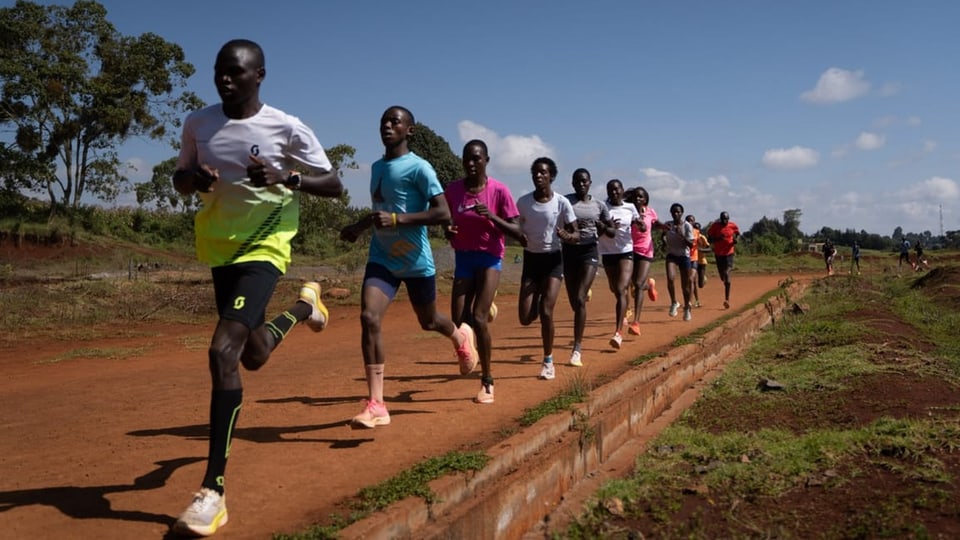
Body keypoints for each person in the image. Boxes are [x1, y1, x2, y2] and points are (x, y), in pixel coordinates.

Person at [169, 39, 344, 537]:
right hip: (220, 246)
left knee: (223, 350)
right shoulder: (197, 123)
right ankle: (304, 308)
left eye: (237, 73)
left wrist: (286, 177)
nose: (226, 80)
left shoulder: (285, 126)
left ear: (260, 75)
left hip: (267, 245)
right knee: (254, 354)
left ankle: (213, 492)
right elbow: (179, 178)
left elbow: (333, 184)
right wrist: (193, 180)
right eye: (220, 72)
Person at [339, 106, 478, 427]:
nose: (387, 126)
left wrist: (399, 220)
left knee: (428, 321)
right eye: (383, 122)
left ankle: (459, 338)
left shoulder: (419, 168)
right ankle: (376, 403)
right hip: (382, 258)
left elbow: (443, 214)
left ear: (409, 130)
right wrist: (358, 227)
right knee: (369, 317)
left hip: (415, 261)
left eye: (394, 122)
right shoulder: (376, 167)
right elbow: (381, 210)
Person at [443, 140, 521, 403]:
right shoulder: (453, 190)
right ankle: (487, 310)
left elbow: (517, 232)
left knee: (477, 318)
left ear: (487, 160)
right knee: (459, 323)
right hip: (464, 258)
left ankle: (487, 381)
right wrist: (448, 229)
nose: (471, 163)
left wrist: (492, 217)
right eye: (467, 159)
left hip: (489, 258)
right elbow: (446, 219)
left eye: (477, 158)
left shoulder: (499, 191)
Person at [516, 157, 578, 380]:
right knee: (525, 317)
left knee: (546, 311)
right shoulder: (523, 202)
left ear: (551, 176)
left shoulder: (561, 203)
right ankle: (538, 299)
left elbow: (576, 232)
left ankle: (548, 361)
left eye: (543, 173)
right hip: (531, 261)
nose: (538, 176)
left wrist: (567, 235)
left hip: (553, 260)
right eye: (535, 173)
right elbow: (518, 227)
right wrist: (519, 236)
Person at [562, 168, 608, 366]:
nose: (581, 184)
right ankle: (583, 292)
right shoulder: (565, 201)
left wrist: (604, 228)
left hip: (589, 251)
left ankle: (577, 349)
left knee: (580, 299)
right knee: (575, 302)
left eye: (584, 181)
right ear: (572, 183)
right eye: (577, 181)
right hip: (569, 252)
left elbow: (611, 230)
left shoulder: (599, 205)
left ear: (590, 182)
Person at [599, 179, 640, 348]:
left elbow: (638, 221)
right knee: (615, 289)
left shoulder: (630, 207)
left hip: (625, 251)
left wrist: (641, 225)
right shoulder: (602, 207)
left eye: (617, 189)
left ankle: (618, 333)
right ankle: (624, 308)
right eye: (611, 190)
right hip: (608, 253)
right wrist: (607, 227)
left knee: (621, 288)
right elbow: (596, 227)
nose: (614, 192)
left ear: (622, 190)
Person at [624, 187, 659, 336]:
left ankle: (636, 323)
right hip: (629, 250)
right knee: (629, 284)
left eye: (641, 197)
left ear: (645, 200)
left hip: (645, 251)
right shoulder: (627, 211)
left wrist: (664, 227)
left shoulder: (650, 212)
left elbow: (656, 224)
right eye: (636, 197)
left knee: (637, 285)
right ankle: (649, 284)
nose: (638, 199)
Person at [662, 203, 695, 321]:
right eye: (674, 212)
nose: (676, 214)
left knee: (685, 286)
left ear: (682, 213)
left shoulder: (687, 226)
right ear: (671, 213)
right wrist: (663, 242)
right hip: (671, 255)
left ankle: (687, 307)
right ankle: (674, 302)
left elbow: (691, 245)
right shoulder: (668, 225)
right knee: (670, 279)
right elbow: (663, 234)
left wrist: (681, 235)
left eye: (678, 212)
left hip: (684, 257)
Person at [706, 211, 740, 309]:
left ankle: (727, 300)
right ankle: (724, 275)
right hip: (718, 254)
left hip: (729, 253)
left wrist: (736, 239)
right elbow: (710, 239)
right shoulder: (715, 226)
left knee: (727, 275)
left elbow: (738, 233)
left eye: (727, 219)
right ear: (720, 219)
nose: (725, 221)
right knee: (722, 276)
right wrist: (717, 239)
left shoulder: (732, 225)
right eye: (723, 219)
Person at [686, 215, 706, 307]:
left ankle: (689, 302)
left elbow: (700, 244)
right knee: (691, 281)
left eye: (692, 221)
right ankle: (697, 300)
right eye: (688, 220)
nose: (690, 222)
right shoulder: (683, 231)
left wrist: (700, 243)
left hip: (694, 258)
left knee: (691, 280)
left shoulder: (696, 232)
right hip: (685, 259)